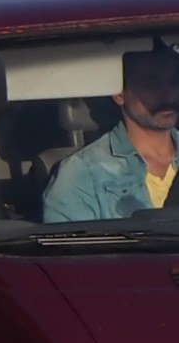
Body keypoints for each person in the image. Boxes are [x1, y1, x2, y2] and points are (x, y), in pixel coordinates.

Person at [42, 47, 179, 223]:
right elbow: (67, 247)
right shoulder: (82, 175)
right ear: (119, 94)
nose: (168, 95)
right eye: (151, 84)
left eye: (174, 83)